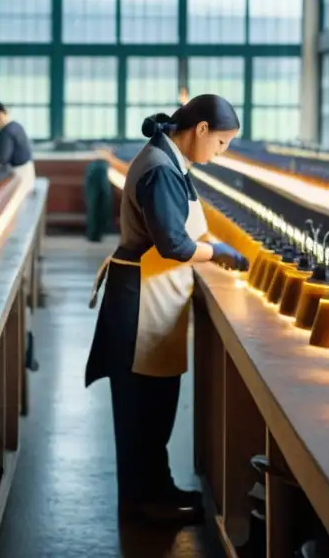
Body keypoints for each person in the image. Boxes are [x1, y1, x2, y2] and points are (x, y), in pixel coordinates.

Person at [84, 94, 249, 524]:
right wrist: (217, 252)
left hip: (153, 296)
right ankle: (143, 503)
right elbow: (173, 243)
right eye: (221, 143)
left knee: (158, 408)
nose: (221, 152)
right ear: (199, 131)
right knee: (142, 409)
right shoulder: (159, 169)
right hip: (140, 300)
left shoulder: (171, 160)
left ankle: (159, 487)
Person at [0, 102, 35, 189]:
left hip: (19, 172)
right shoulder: (17, 125)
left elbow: (3, 157)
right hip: (28, 168)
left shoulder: (5, 131)